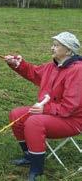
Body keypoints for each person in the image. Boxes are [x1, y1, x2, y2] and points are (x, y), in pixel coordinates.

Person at [5, 32, 82, 181]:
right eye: (53, 44)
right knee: (16, 114)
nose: (52, 48)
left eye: (56, 45)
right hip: (53, 114)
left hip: (73, 120)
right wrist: (17, 64)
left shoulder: (77, 70)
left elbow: (70, 107)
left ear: (68, 50)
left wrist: (44, 109)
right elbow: (34, 73)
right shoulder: (52, 66)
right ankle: (29, 156)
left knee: (34, 122)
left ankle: (37, 169)